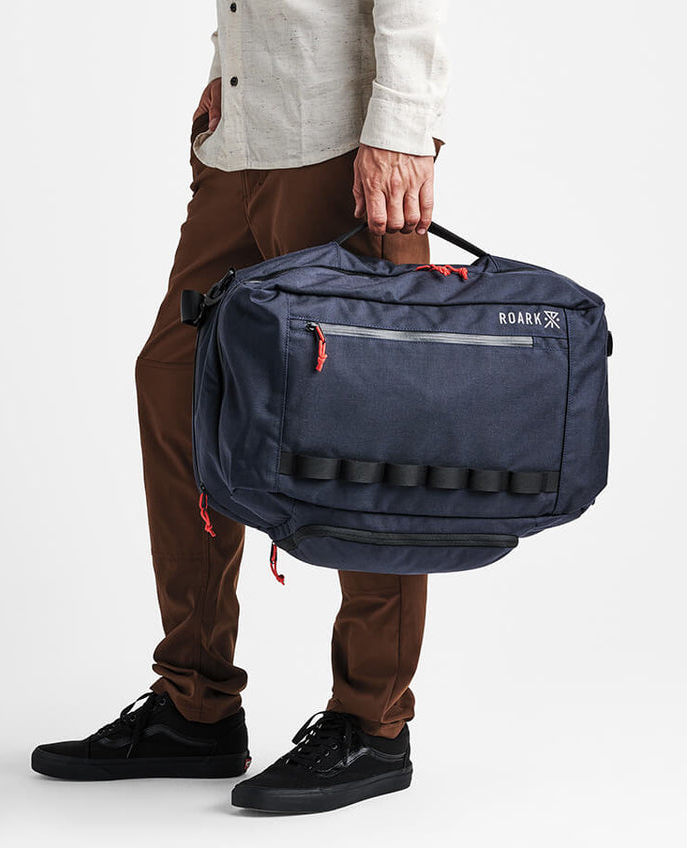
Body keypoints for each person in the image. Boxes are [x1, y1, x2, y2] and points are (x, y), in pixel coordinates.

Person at [32, 0, 450, 813]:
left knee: (363, 421)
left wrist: (402, 125)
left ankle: (372, 723)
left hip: (344, 143)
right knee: (178, 383)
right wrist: (232, 71)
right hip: (244, 141)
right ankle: (195, 707)